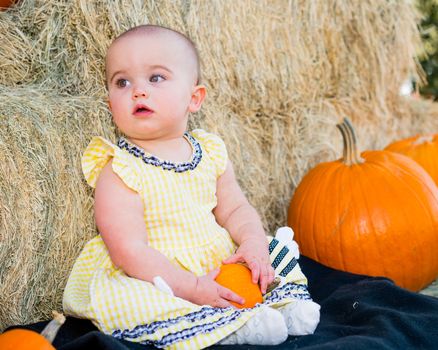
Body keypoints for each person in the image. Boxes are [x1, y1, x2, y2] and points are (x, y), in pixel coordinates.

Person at [63, 24, 320, 349]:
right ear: (110, 101)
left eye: (155, 78)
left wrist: (252, 242)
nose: (138, 91)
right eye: (122, 82)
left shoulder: (208, 151)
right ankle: (231, 326)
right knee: (125, 299)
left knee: (273, 251)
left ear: (194, 98)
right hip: (157, 273)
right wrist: (189, 286)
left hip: (218, 258)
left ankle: (286, 303)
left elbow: (235, 208)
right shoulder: (119, 168)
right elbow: (128, 249)